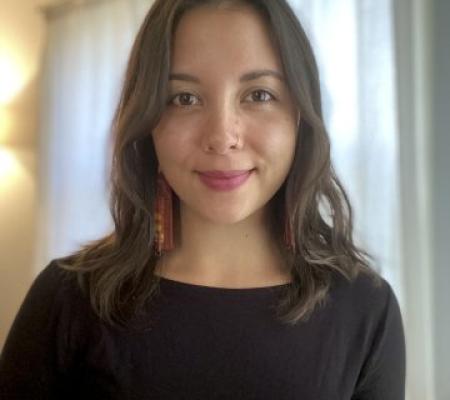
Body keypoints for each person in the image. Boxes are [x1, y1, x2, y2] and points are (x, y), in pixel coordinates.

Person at [0, 0, 406, 399]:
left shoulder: (366, 309)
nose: (222, 136)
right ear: (148, 123)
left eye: (259, 95)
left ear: (301, 116)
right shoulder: (69, 298)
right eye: (184, 98)